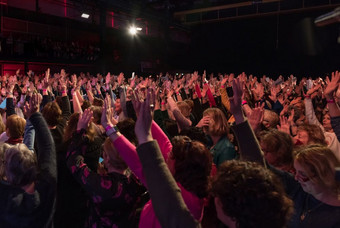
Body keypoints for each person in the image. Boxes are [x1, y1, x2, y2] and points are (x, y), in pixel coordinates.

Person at [228, 77, 340, 228]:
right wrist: (239, 117)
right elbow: (259, 163)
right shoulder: (300, 191)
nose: (296, 176)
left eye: (303, 174)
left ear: (323, 174)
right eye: (297, 171)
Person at [66, 108, 146, 228]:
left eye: (104, 154)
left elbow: (74, 160)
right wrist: (109, 126)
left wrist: (80, 130)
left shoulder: (101, 184)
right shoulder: (137, 180)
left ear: (107, 158)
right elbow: (127, 153)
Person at [0, 93, 57, 227]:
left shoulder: (4, 198)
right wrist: (35, 115)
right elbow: (48, 147)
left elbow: (48, 148)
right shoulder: (46, 188)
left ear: (8, 173)